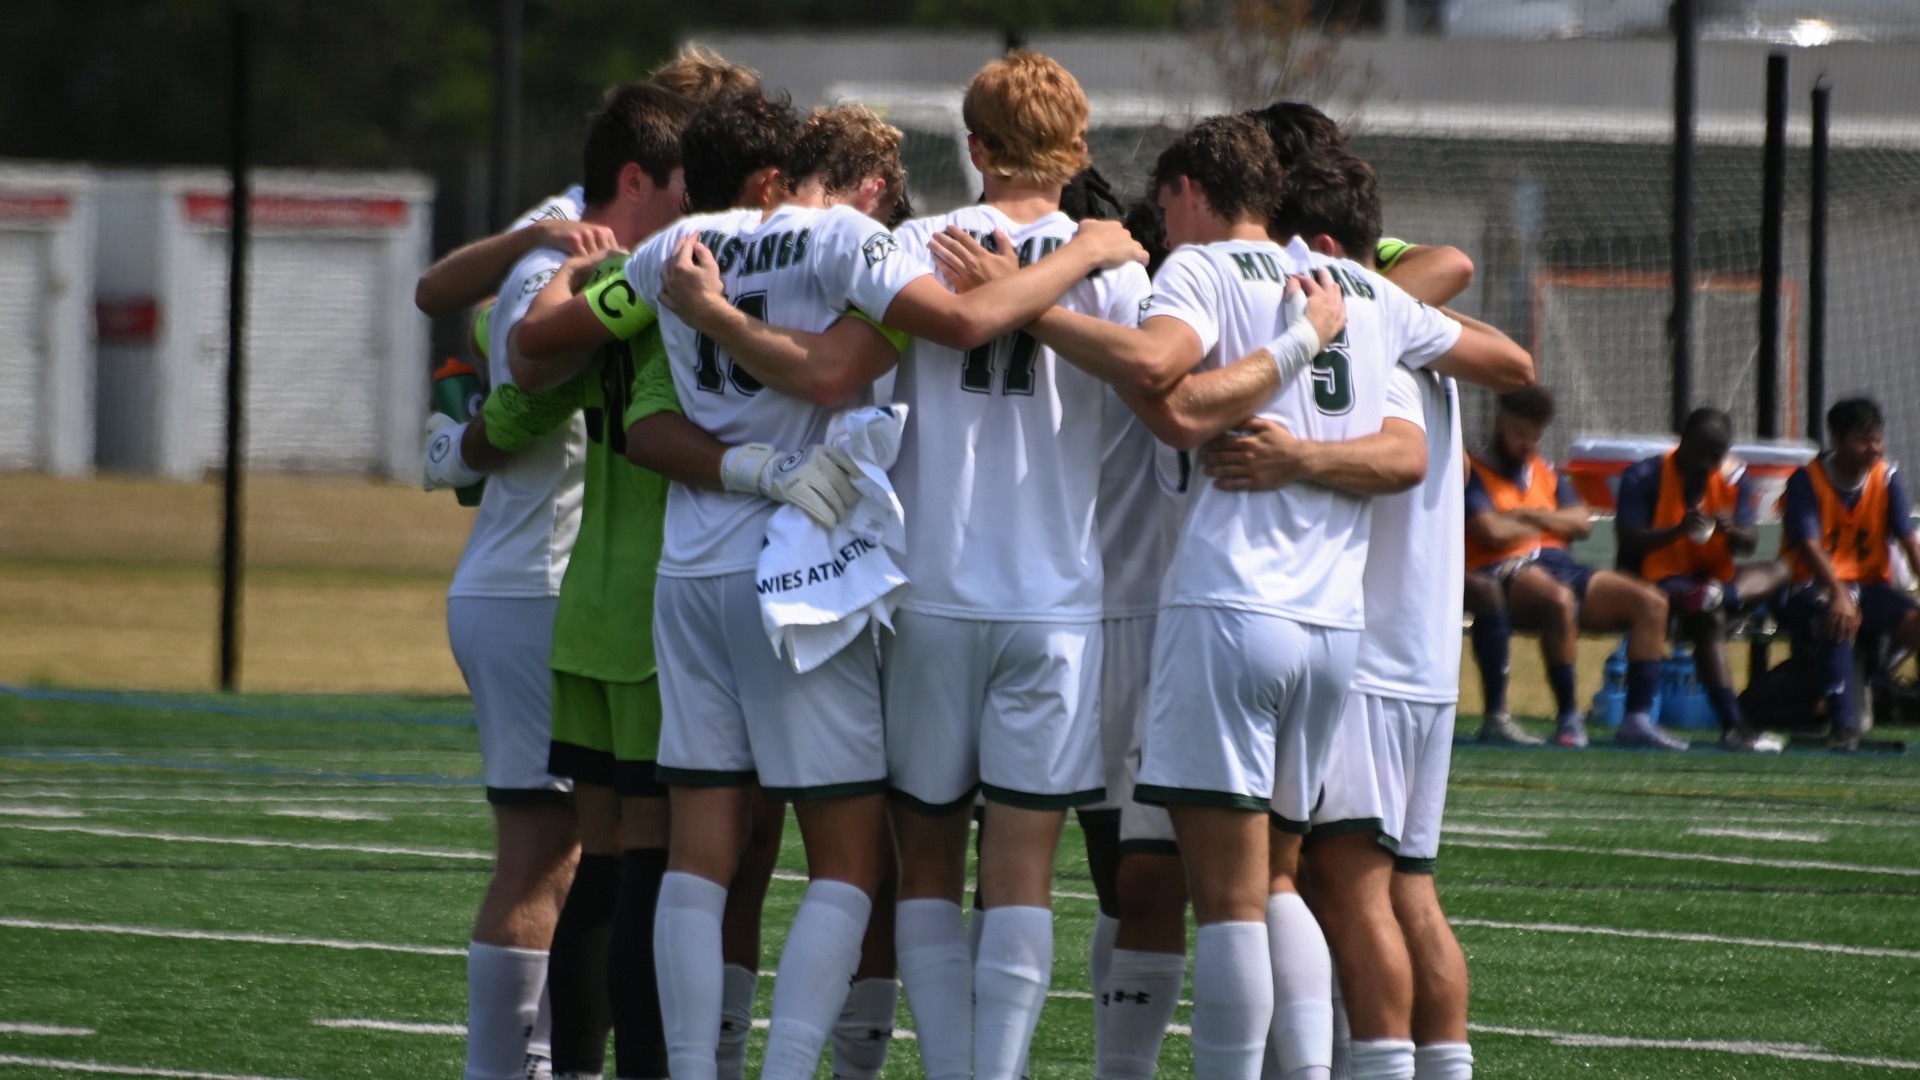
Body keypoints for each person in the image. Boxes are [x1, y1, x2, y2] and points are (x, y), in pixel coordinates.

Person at [513, 84, 1145, 1080]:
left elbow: (534, 342)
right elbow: (926, 343)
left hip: (703, 571)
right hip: (826, 575)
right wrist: (1084, 253)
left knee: (703, 848)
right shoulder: (861, 244)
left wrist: (564, 259)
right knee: (882, 862)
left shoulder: (674, 248)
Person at [1200, 148, 1523, 1080]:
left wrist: (1294, 456)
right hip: (1417, 652)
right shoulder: (1410, 327)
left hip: (1372, 647)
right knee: (1408, 890)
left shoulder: (1362, 318)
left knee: (1344, 889)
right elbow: (1501, 342)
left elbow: (1406, 449)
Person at [437, 82, 694, 1080]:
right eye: (685, 185)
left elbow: (437, 295)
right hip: (544, 586)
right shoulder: (582, 260)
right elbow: (535, 377)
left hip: (519, 576)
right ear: (636, 178)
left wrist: (463, 439)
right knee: (554, 859)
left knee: (573, 854)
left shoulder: (559, 238)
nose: (696, 206)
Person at [1465, 385, 1684, 750]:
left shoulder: (1544, 472)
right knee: (1559, 600)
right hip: (1502, 568)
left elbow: (1582, 522)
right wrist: (1552, 521)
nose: (1528, 445)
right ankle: (1569, 717)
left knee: (1652, 602)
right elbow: (1492, 532)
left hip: (1558, 562)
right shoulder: (1473, 471)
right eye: (1520, 435)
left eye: (1535, 437)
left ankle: (1637, 720)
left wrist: (1529, 515)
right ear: (1498, 425)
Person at [1615, 407, 1790, 752]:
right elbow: (1628, 538)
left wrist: (1731, 528)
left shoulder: (1732, 481)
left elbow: (1749, 542)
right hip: (1659, 579)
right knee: (1707, 619)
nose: (1708, 461)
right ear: (1683, 443)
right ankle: (1734, 725)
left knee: (1781, 569)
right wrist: (1677, 530)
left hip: (1715, 578)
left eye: (1717, 453)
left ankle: (1717, 596)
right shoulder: (1645, 475)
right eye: (1701, 451)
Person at [1778, 396, 1920, 751]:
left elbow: (1908, 539)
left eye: (1877, 439)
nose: (1874, 448)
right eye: (1863, 439)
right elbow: (1809, 546)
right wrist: (1840, 594)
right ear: (1837, 439)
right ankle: (1843, 727)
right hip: (1809, 586)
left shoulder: (1886, 479)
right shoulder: (1806, 480)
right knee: (1838, 614)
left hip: (1871, 586)